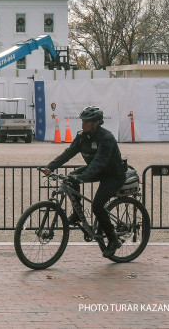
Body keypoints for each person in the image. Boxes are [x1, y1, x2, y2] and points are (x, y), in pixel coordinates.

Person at [40, 106, 127, 258]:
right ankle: (78, 214)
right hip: (97, 170)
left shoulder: (106, 138)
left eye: (87, 121)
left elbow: (99, 162)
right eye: (83, 121)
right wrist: (50, 167)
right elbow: (68, 153)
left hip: (113, 175)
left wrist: (83, 176)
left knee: (97, 206)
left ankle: (113, 240)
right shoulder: (82, 136)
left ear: (97, 122)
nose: (83, 124)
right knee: (71, 178)